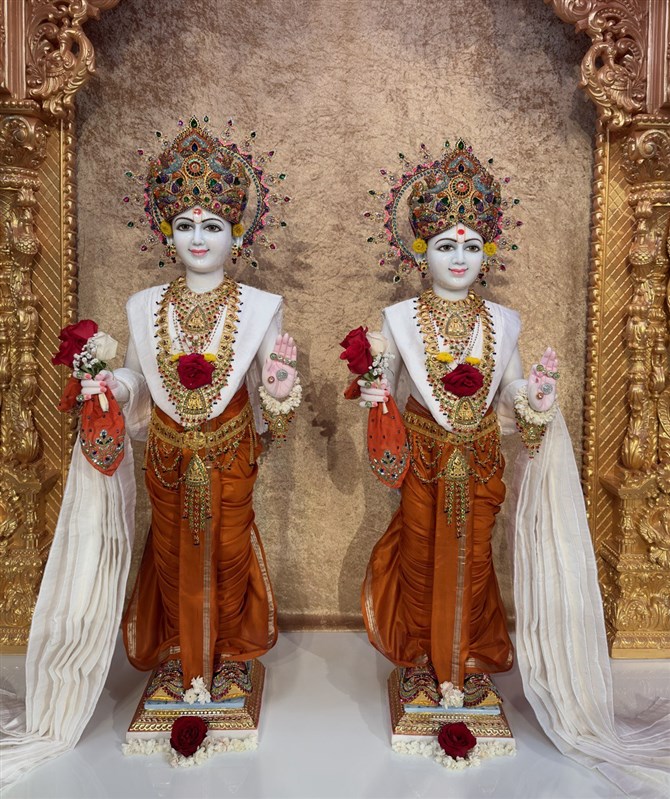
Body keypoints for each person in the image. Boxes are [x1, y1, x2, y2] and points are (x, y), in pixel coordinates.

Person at [79, 121, 302, 700]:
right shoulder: (144, 305)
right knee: (172, 552)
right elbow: (139, 376)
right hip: (167, 455)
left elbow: (272, 394)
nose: (198, 239)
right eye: (184, 226)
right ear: (167, 234)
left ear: (237, 234)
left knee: (228, 552)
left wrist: (279, 386)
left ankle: (225, 656)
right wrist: (115, 386)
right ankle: (182, 655)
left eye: (212, 227)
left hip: (230, 454)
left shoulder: (261, 306)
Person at [354, 142, 558, 699]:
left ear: (487, 250)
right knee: (421, 557)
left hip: (481, 460)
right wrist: (372, 387)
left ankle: (464, 655)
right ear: (422, 251)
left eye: (471, 246)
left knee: (473, 559)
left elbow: (510, 385)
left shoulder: (503, 320)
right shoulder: (399, 318)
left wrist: (533, 394)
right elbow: (384, 386)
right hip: (424, 460)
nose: (459, 258)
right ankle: (424, 658)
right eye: (446, 246)